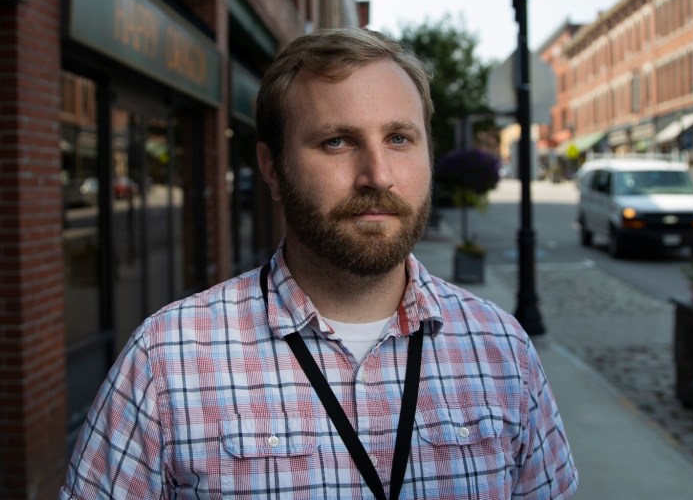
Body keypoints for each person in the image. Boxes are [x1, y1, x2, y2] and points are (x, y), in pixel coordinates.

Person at [60, 27, 578, 499]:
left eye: (399, 138)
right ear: (273, 168)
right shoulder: (165, 362)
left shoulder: (502, 350)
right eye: (337, 141)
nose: (378, 175)